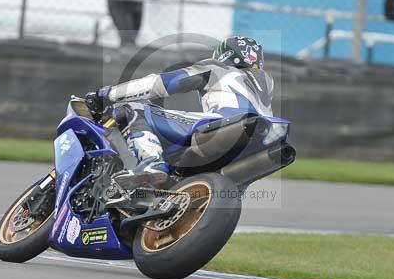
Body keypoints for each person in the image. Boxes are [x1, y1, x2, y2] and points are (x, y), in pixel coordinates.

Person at [85, 36, 271, 188]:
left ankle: (151, 163)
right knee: (229, 194)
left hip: (226, 124)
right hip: (263, 142)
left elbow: (159, 84)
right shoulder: (266, 85)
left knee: (132, 108)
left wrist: (107, 94)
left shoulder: (218, 68)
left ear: (225, 55)